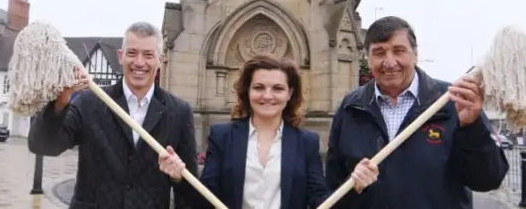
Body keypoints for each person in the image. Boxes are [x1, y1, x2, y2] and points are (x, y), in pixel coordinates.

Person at [325, 16, 509, 209]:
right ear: (368, 59)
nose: (389, 62)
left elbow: (488, 179)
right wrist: (355, 185)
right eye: (379, 53)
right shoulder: (351, 107)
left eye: (399, 51)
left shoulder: (453, 102)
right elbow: (333, 185)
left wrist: (472, 127)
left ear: (415, 55)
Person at [158, 55, 379, 209]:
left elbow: (321, 201)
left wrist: (354, 185)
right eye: (259, 87)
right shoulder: (222, 137)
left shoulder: (306, 142)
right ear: (247, 91)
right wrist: (181, 177)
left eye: (278, 88)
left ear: (290, 93)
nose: (267, 96)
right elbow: (204, 202)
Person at [27, 21, 198, 209]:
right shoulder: (88, 102)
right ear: (121, 56)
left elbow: (191, 196)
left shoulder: (179, 112)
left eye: (148, 55)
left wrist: (178, 177)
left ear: (160, 60)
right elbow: (42, 145)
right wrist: (60, 101)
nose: (139, 62)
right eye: (132, 53)